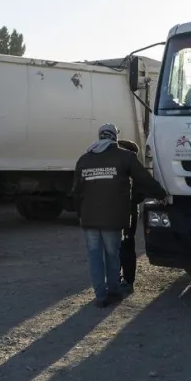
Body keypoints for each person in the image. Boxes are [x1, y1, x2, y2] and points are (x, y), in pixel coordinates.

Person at [72, 124, 167, 307]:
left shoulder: (84, 159)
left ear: (100, 137)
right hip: (113, 218)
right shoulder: (126, 157)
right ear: (114, 137)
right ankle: (114, 292)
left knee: (94, 257)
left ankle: (100, 296)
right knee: (112, 254)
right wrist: (161, 194)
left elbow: (76, 192)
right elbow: (144, 179)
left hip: (90, 218)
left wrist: (80, 214)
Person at [117, 139, 144, 294]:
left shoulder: (132, 170)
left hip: (128, 213)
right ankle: (123, 279)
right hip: (129, 211)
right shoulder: (129, 168)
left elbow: (140, 192)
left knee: (125, 246)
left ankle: (127, 281)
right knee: (122, 246)